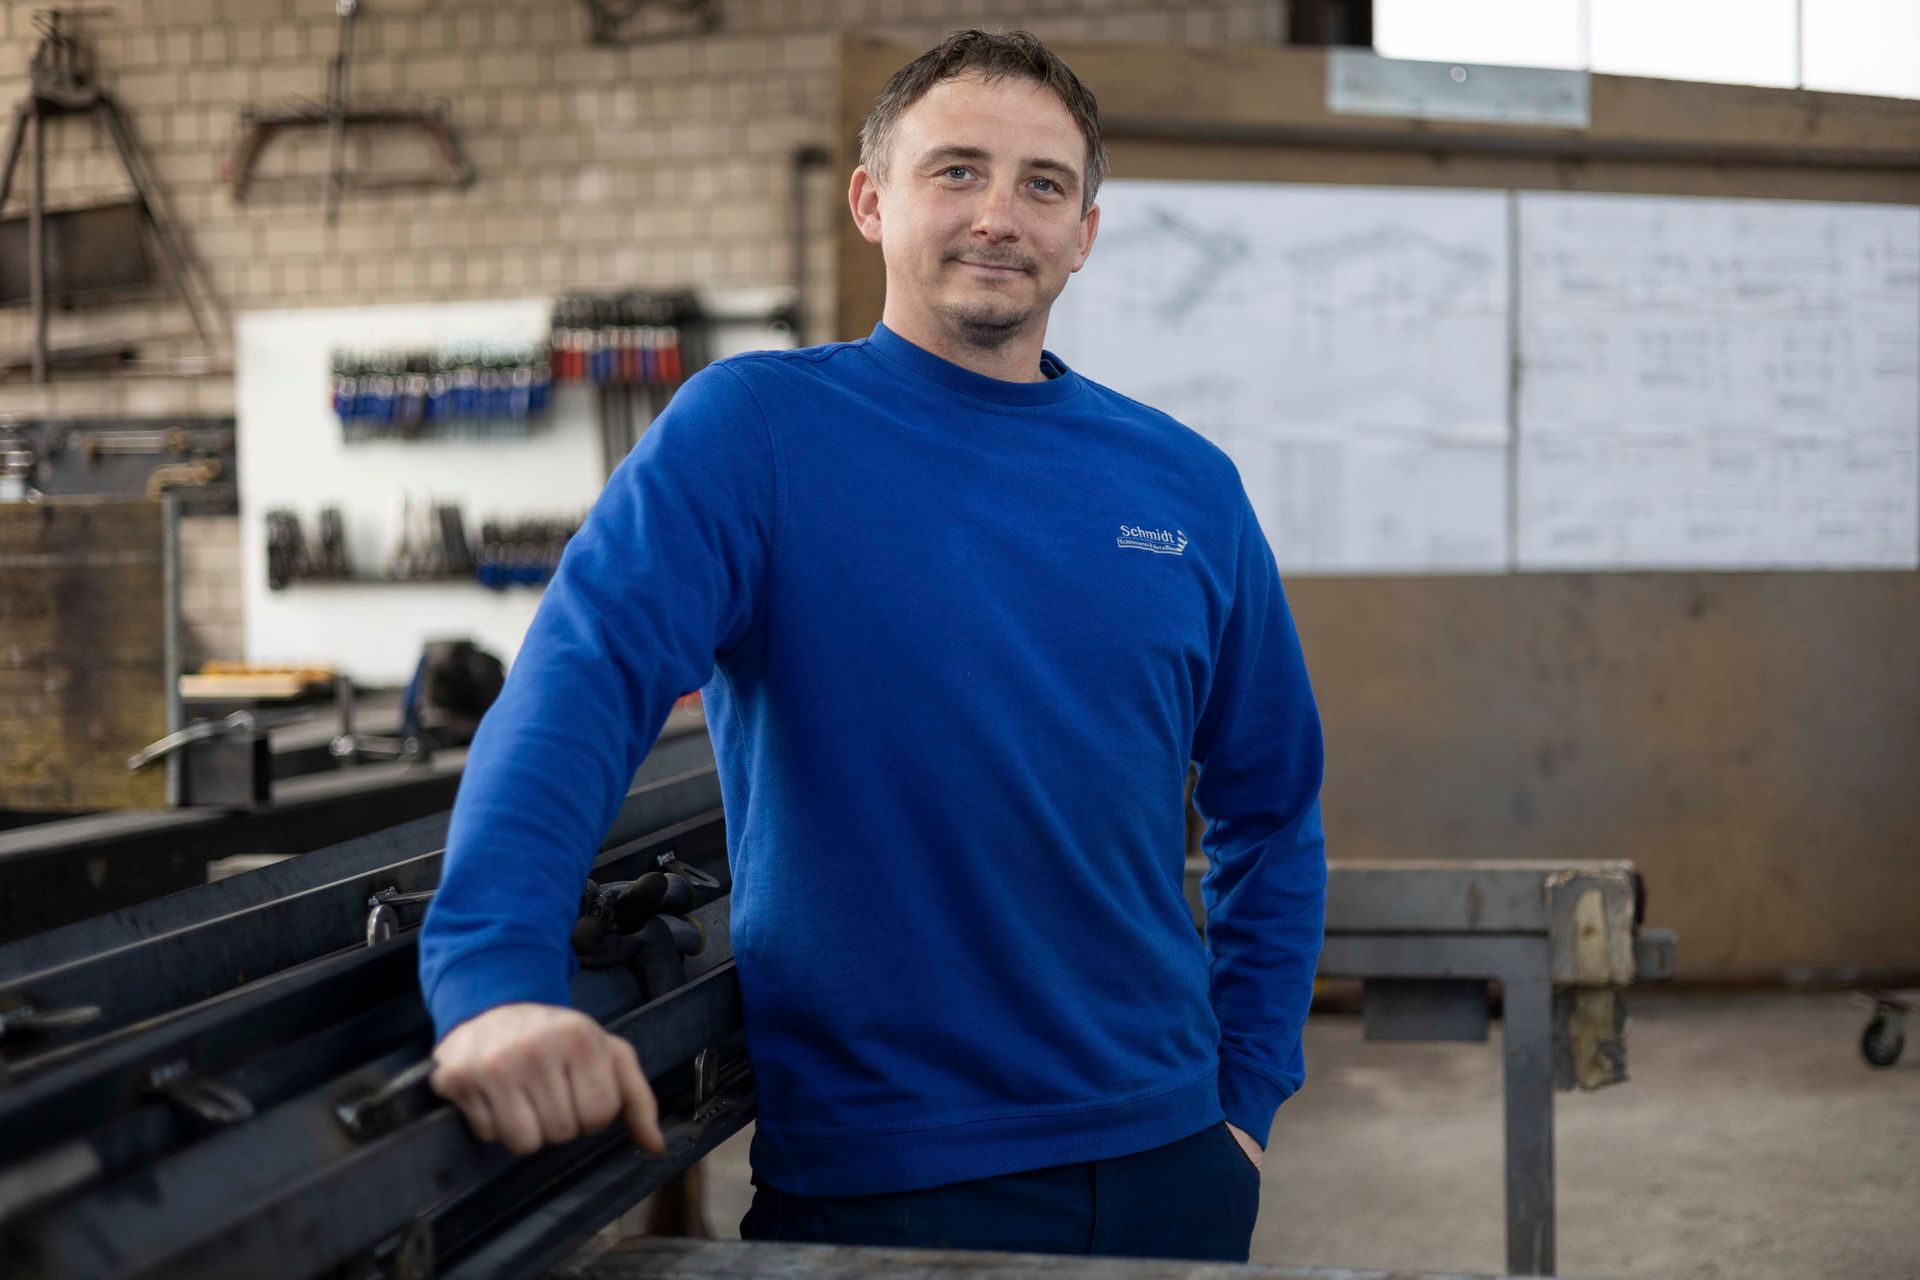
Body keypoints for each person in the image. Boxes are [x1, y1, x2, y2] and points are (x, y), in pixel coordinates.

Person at [418, 28, 1326, 1264]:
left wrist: (1247, 1100)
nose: (999, 215)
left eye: (1042, 184)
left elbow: (1273, 802)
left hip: (1170, 1161)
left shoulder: (1186, 483)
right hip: (885, 1172)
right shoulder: (755, 432)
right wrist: (496, 978)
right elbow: (583, 681)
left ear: (1086, 233)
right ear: (871, 201)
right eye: (955, 170)